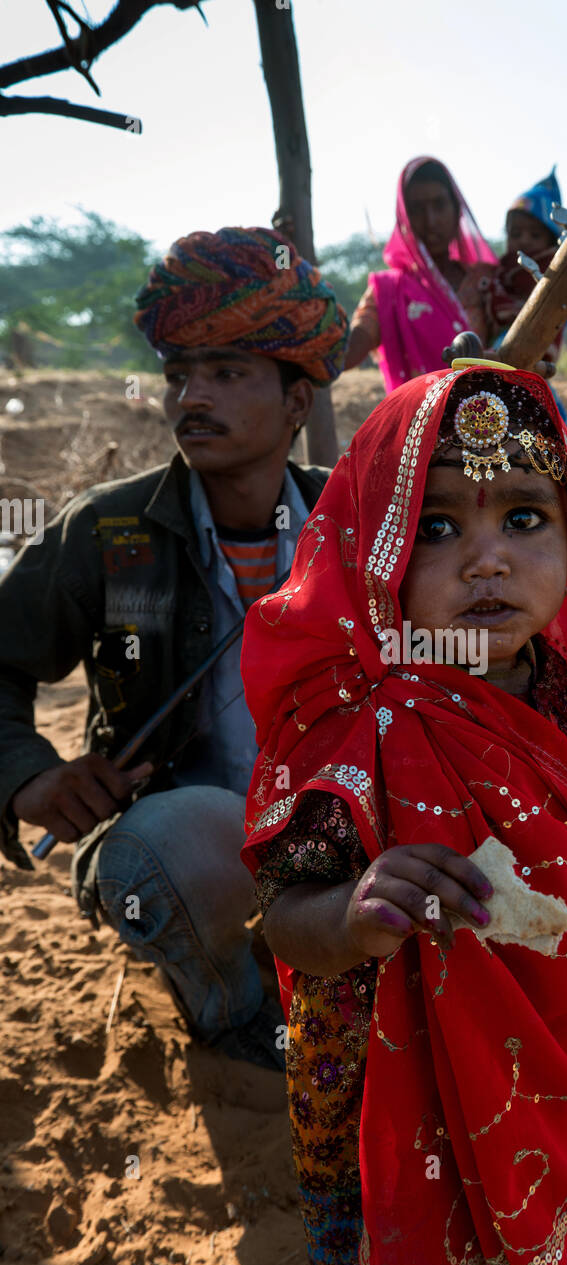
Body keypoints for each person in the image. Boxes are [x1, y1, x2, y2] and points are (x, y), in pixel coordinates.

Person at [240, 361, 567, 1265]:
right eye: (436, 526)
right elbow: (285, 919)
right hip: (377, 1080)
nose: (485, 560)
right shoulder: (351, 720)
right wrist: (355, 915)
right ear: (374, 547)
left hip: (541, 1043)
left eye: (524, 518)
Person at [0, 227, 348, 1071]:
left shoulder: (358, 529)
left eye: (227, 374)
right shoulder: (108, 530)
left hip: (343, 822)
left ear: (297, 404)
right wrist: (32, 776)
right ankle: (234, 1008)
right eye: (178, 375)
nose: (192, 397)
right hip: (202, 835)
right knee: (159, 852)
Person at [344, 157, 498, 390]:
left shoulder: (485, 281)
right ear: (404, 219)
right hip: (420, 422)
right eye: (417, 210)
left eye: (439, 205)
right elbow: (346, 354)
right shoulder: (387, 292)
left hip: (488, 418)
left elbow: (521, 346)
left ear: (457, 210)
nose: (430, 220)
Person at [483, 169, 564, 355]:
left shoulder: (551, 268)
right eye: (516, 234)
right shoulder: (500, 271)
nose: (524, 240)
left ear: (551, 240)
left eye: (535, 235)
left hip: (535, 349)